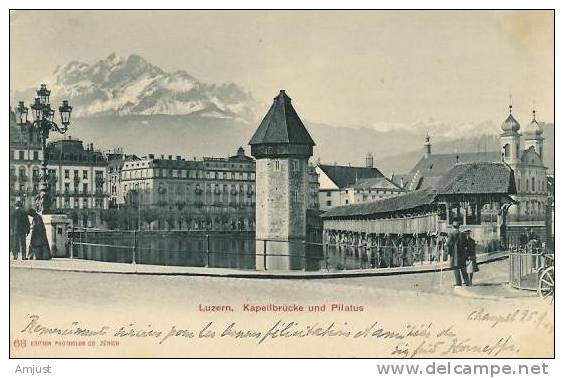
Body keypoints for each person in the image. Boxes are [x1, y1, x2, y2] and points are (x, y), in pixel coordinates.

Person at [446, 220, 469, 287]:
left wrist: (445, 244)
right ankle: (467, 281)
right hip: (462, 253)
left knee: (455, 268)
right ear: (459, 226)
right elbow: (466, 244)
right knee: (463, 267)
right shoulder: (463, 234)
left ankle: (458, 282)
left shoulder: (451, 234)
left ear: (453, 226)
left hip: (454, 254)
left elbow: (448, 244)